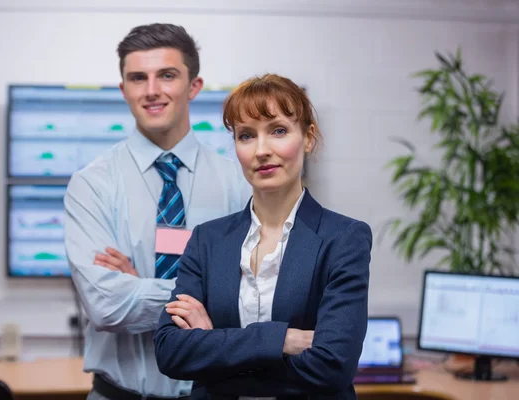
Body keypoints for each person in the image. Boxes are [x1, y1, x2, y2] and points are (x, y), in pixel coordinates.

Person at [153, 74, 372, 400]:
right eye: (246, 135)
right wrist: (282, 340)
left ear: (308, 138)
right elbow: (171, 351)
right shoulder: (207, 240)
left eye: (278, 131)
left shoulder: (343, 238)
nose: (261, 150)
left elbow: (333, 365)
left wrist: (215, 350)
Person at [64, 23, 250, 400]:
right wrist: (206, 295)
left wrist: (139, 287)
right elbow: (106, 307)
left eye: (167, 75)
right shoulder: (91, 185)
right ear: (124, 90)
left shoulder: (240, 184)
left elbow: (260, 298)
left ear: (193, 86)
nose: (152, 91)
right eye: (137, 78)